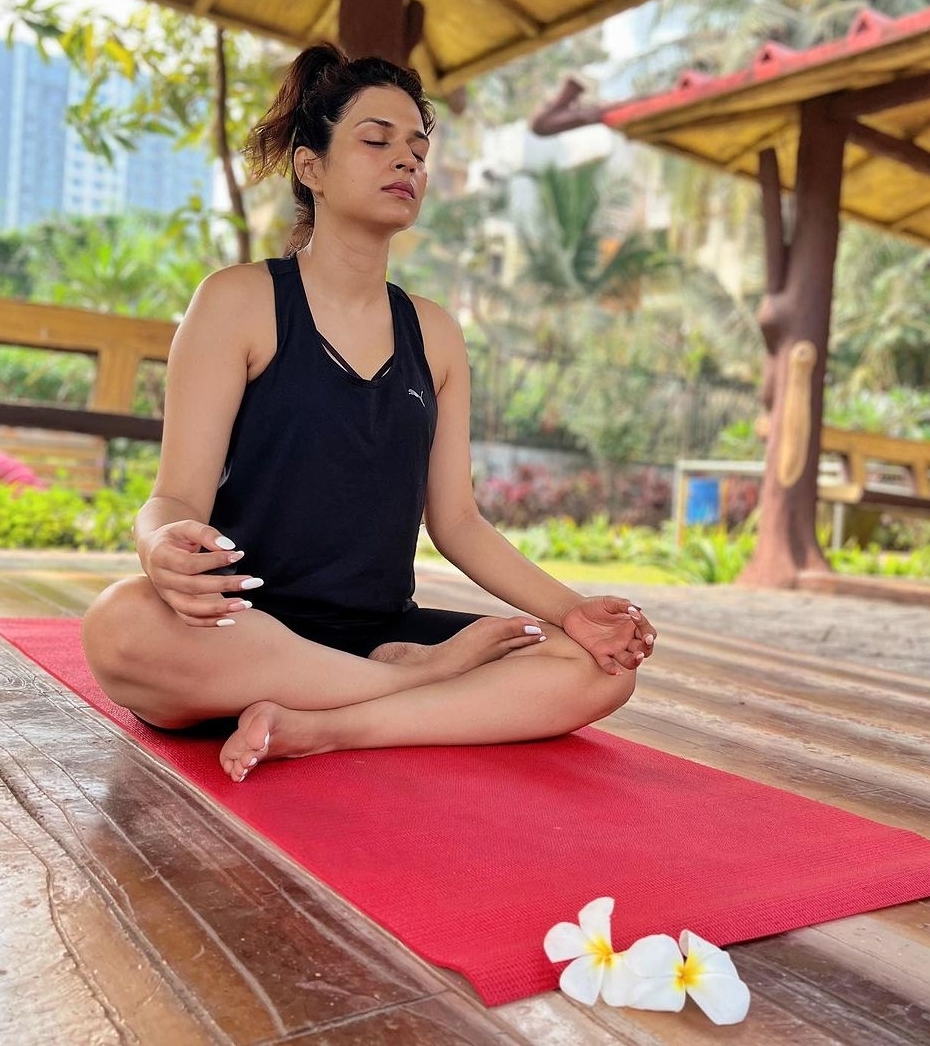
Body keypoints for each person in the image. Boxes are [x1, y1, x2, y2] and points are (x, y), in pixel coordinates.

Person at [82, 44, 657, 783]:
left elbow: (457, 523)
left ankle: (330, 725)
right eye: (377, 140)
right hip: (241, 631)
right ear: (310, 167)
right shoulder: (238, 301)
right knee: (120, 626)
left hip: (379, 632)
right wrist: (158, 543)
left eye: (418, 148)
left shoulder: (436, 333)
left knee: (598, 670)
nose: (407, 162)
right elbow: (175, 497)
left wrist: (574, 610)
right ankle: (419, 685)